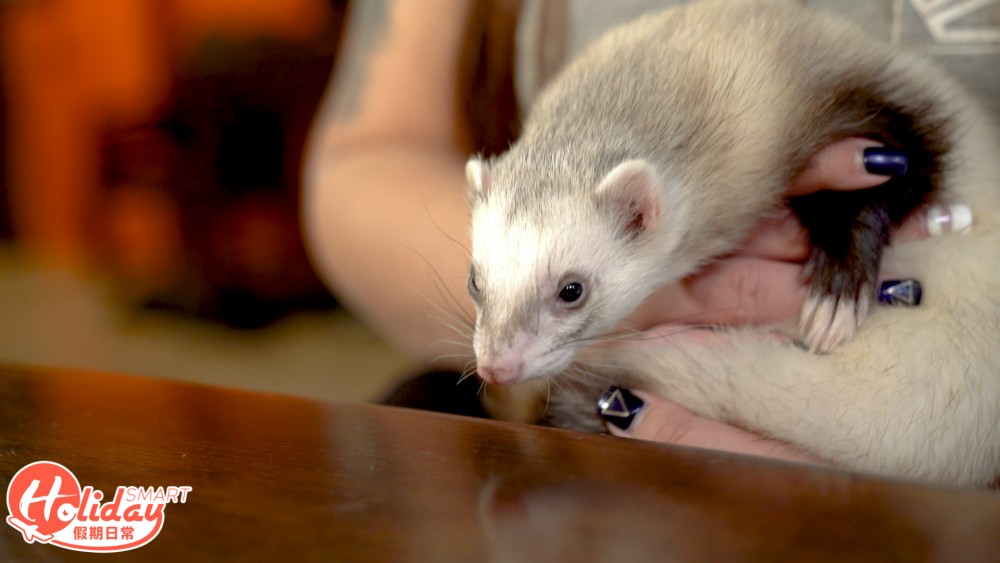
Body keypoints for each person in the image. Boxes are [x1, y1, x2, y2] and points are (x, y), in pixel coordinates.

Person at [302, 0, 976, 463]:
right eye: (481, 288)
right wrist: (632, 313)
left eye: (568, 291)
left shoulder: (767, 89)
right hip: (630, 461)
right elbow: (369, 151)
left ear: (641, 214)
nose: (492, 356)